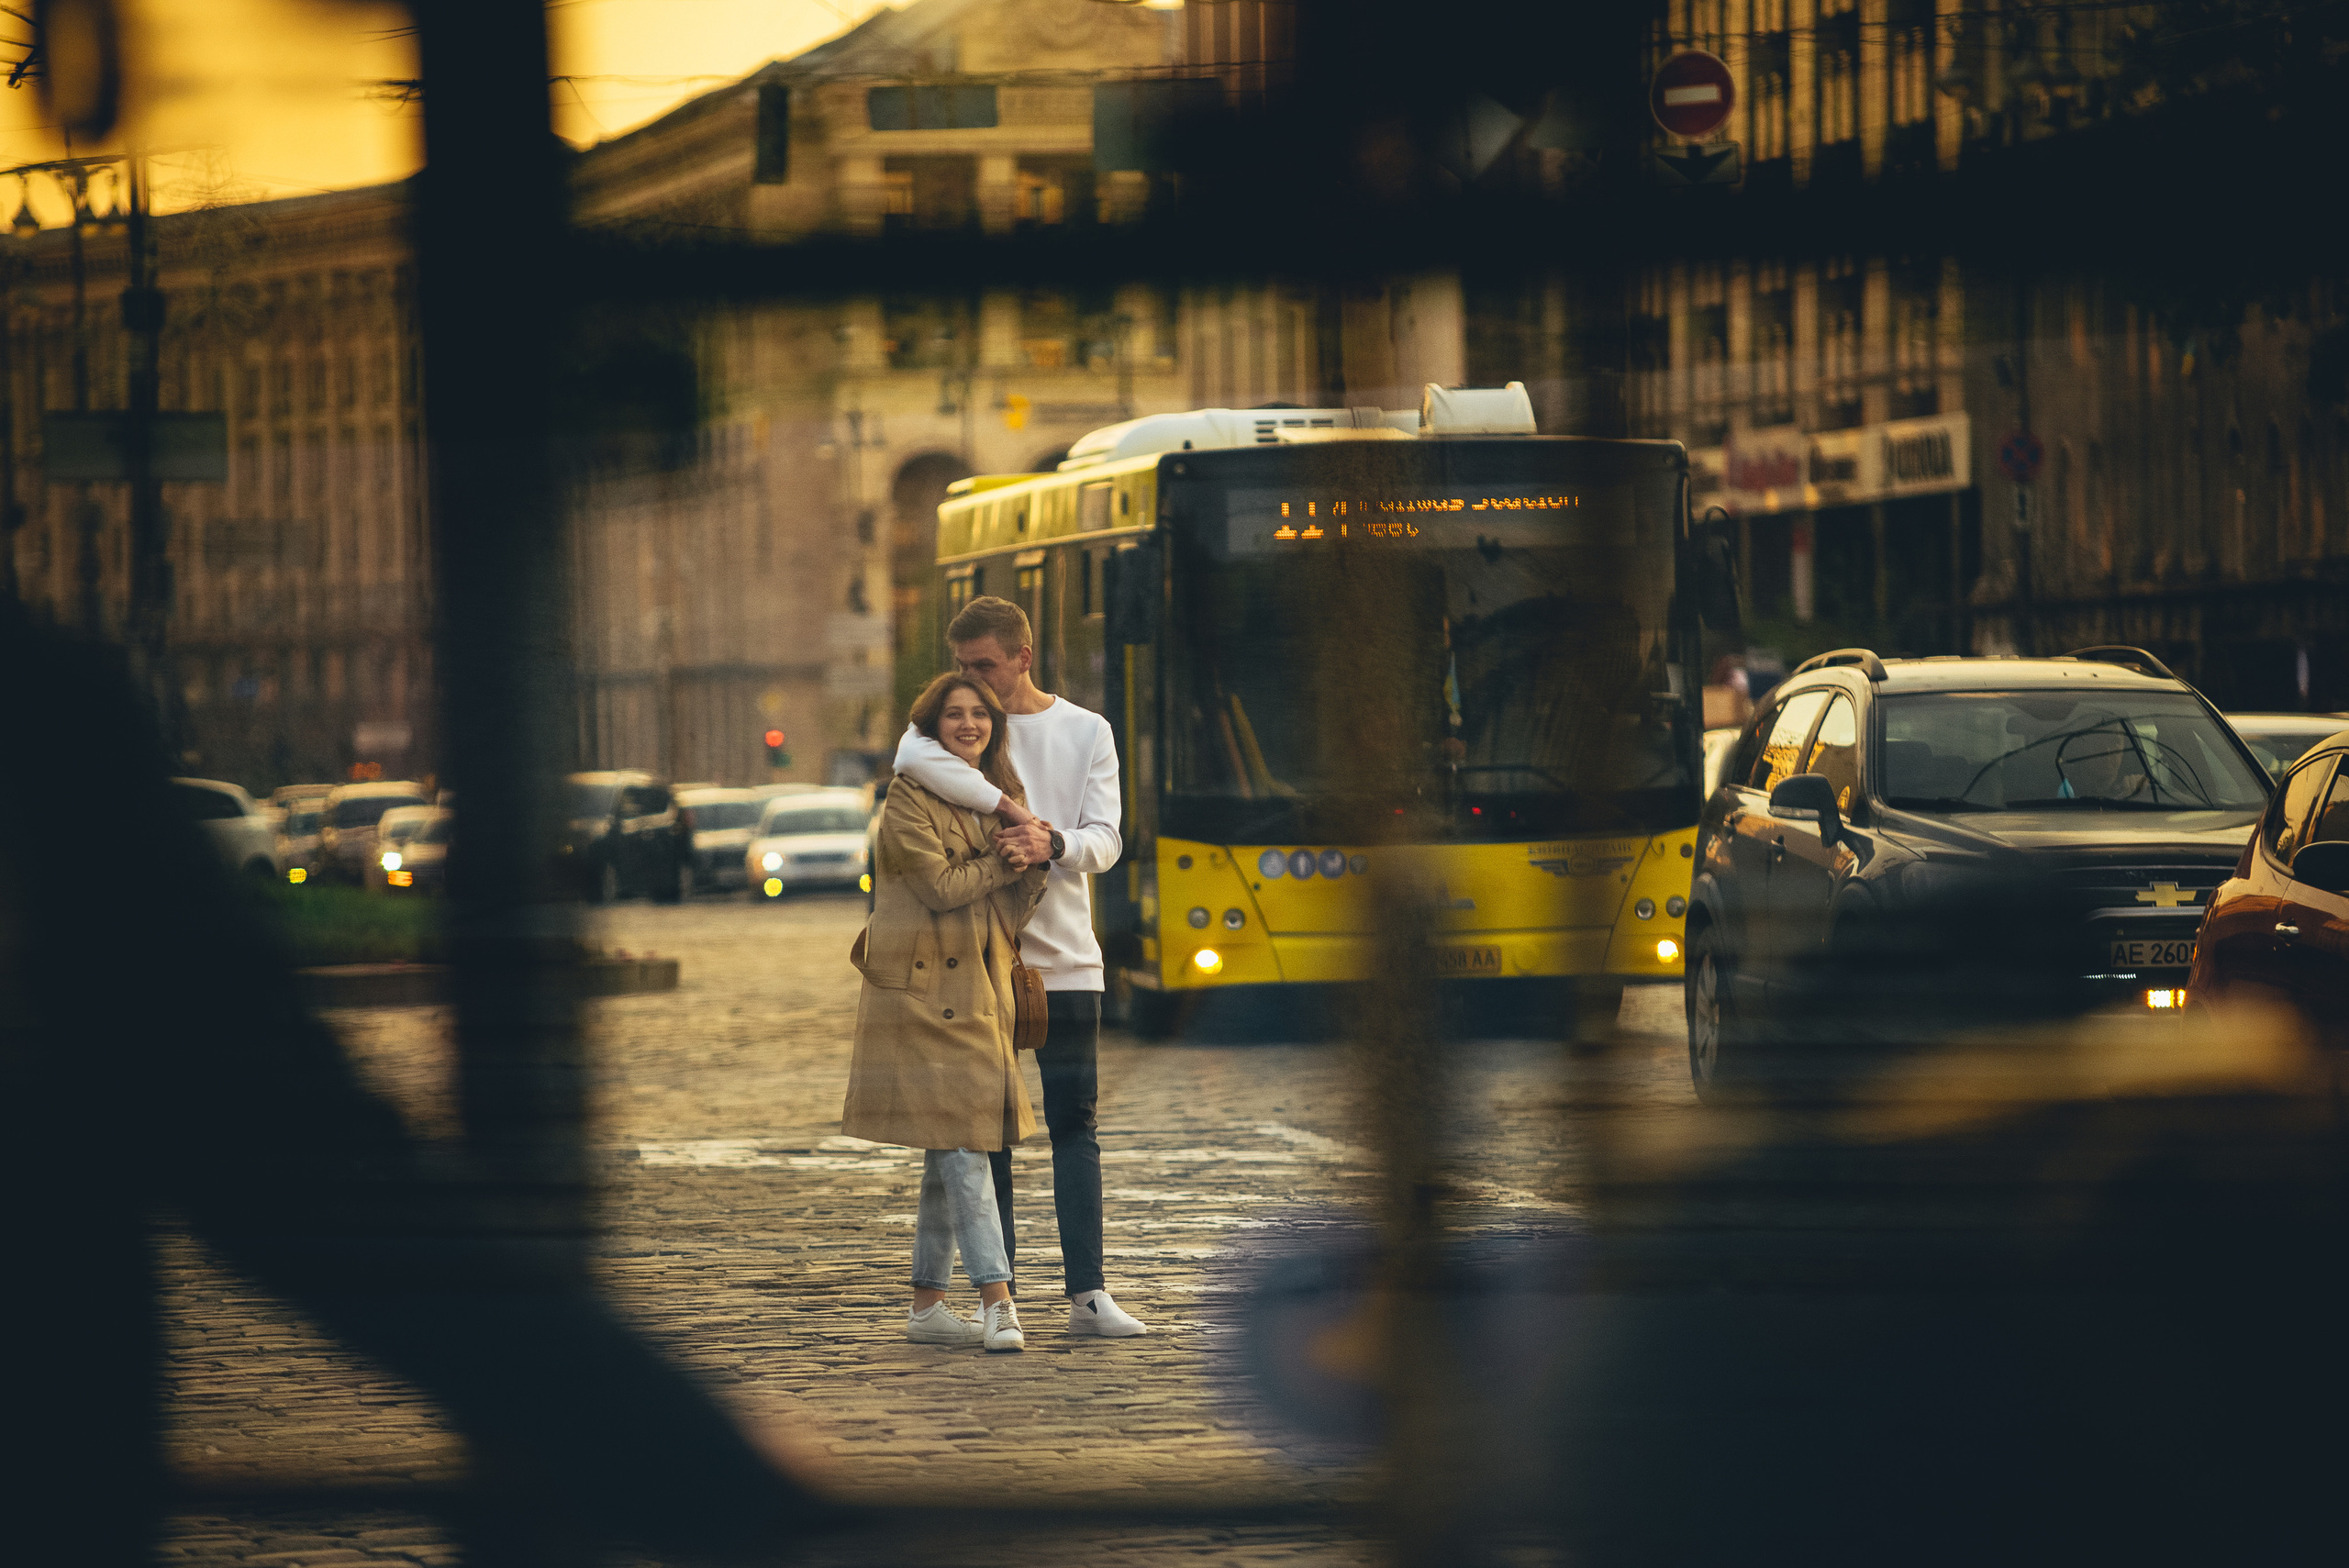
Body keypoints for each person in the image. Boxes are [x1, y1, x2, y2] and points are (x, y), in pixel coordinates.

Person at [0, 606, 836, 1564]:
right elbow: (275, 1141)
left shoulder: (41, 698)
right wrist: (678, 1447)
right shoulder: (42, 700)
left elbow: (269, 1132)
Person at [891, 595, 1148, 1338]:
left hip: (1067, 960)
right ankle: (995, 1296)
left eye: (985, 666)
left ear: (1024, 657)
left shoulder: (1086, 730)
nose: (972, 683)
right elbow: (908, 760)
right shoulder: (942, 737)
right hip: (976, 966)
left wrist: (1051, 844)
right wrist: (1012, 811)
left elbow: (1106, 840)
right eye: (961, 667)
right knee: (986, 1132)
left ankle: (1088, 1294)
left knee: (1076, 1123)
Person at [843, 670, 1052, 1352]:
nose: (969, 724)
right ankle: (1000, 1299)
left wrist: (1035, 860)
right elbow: (938, 887)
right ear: (930, 727)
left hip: (982, 991)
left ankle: (928, 1304)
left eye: (980, 714)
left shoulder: (1001, 797)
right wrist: (1004, 856)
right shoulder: (905, 799)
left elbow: (1011, 904)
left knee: (948, 1148)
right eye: (954, 715)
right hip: (923, 998)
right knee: (965, 1147)